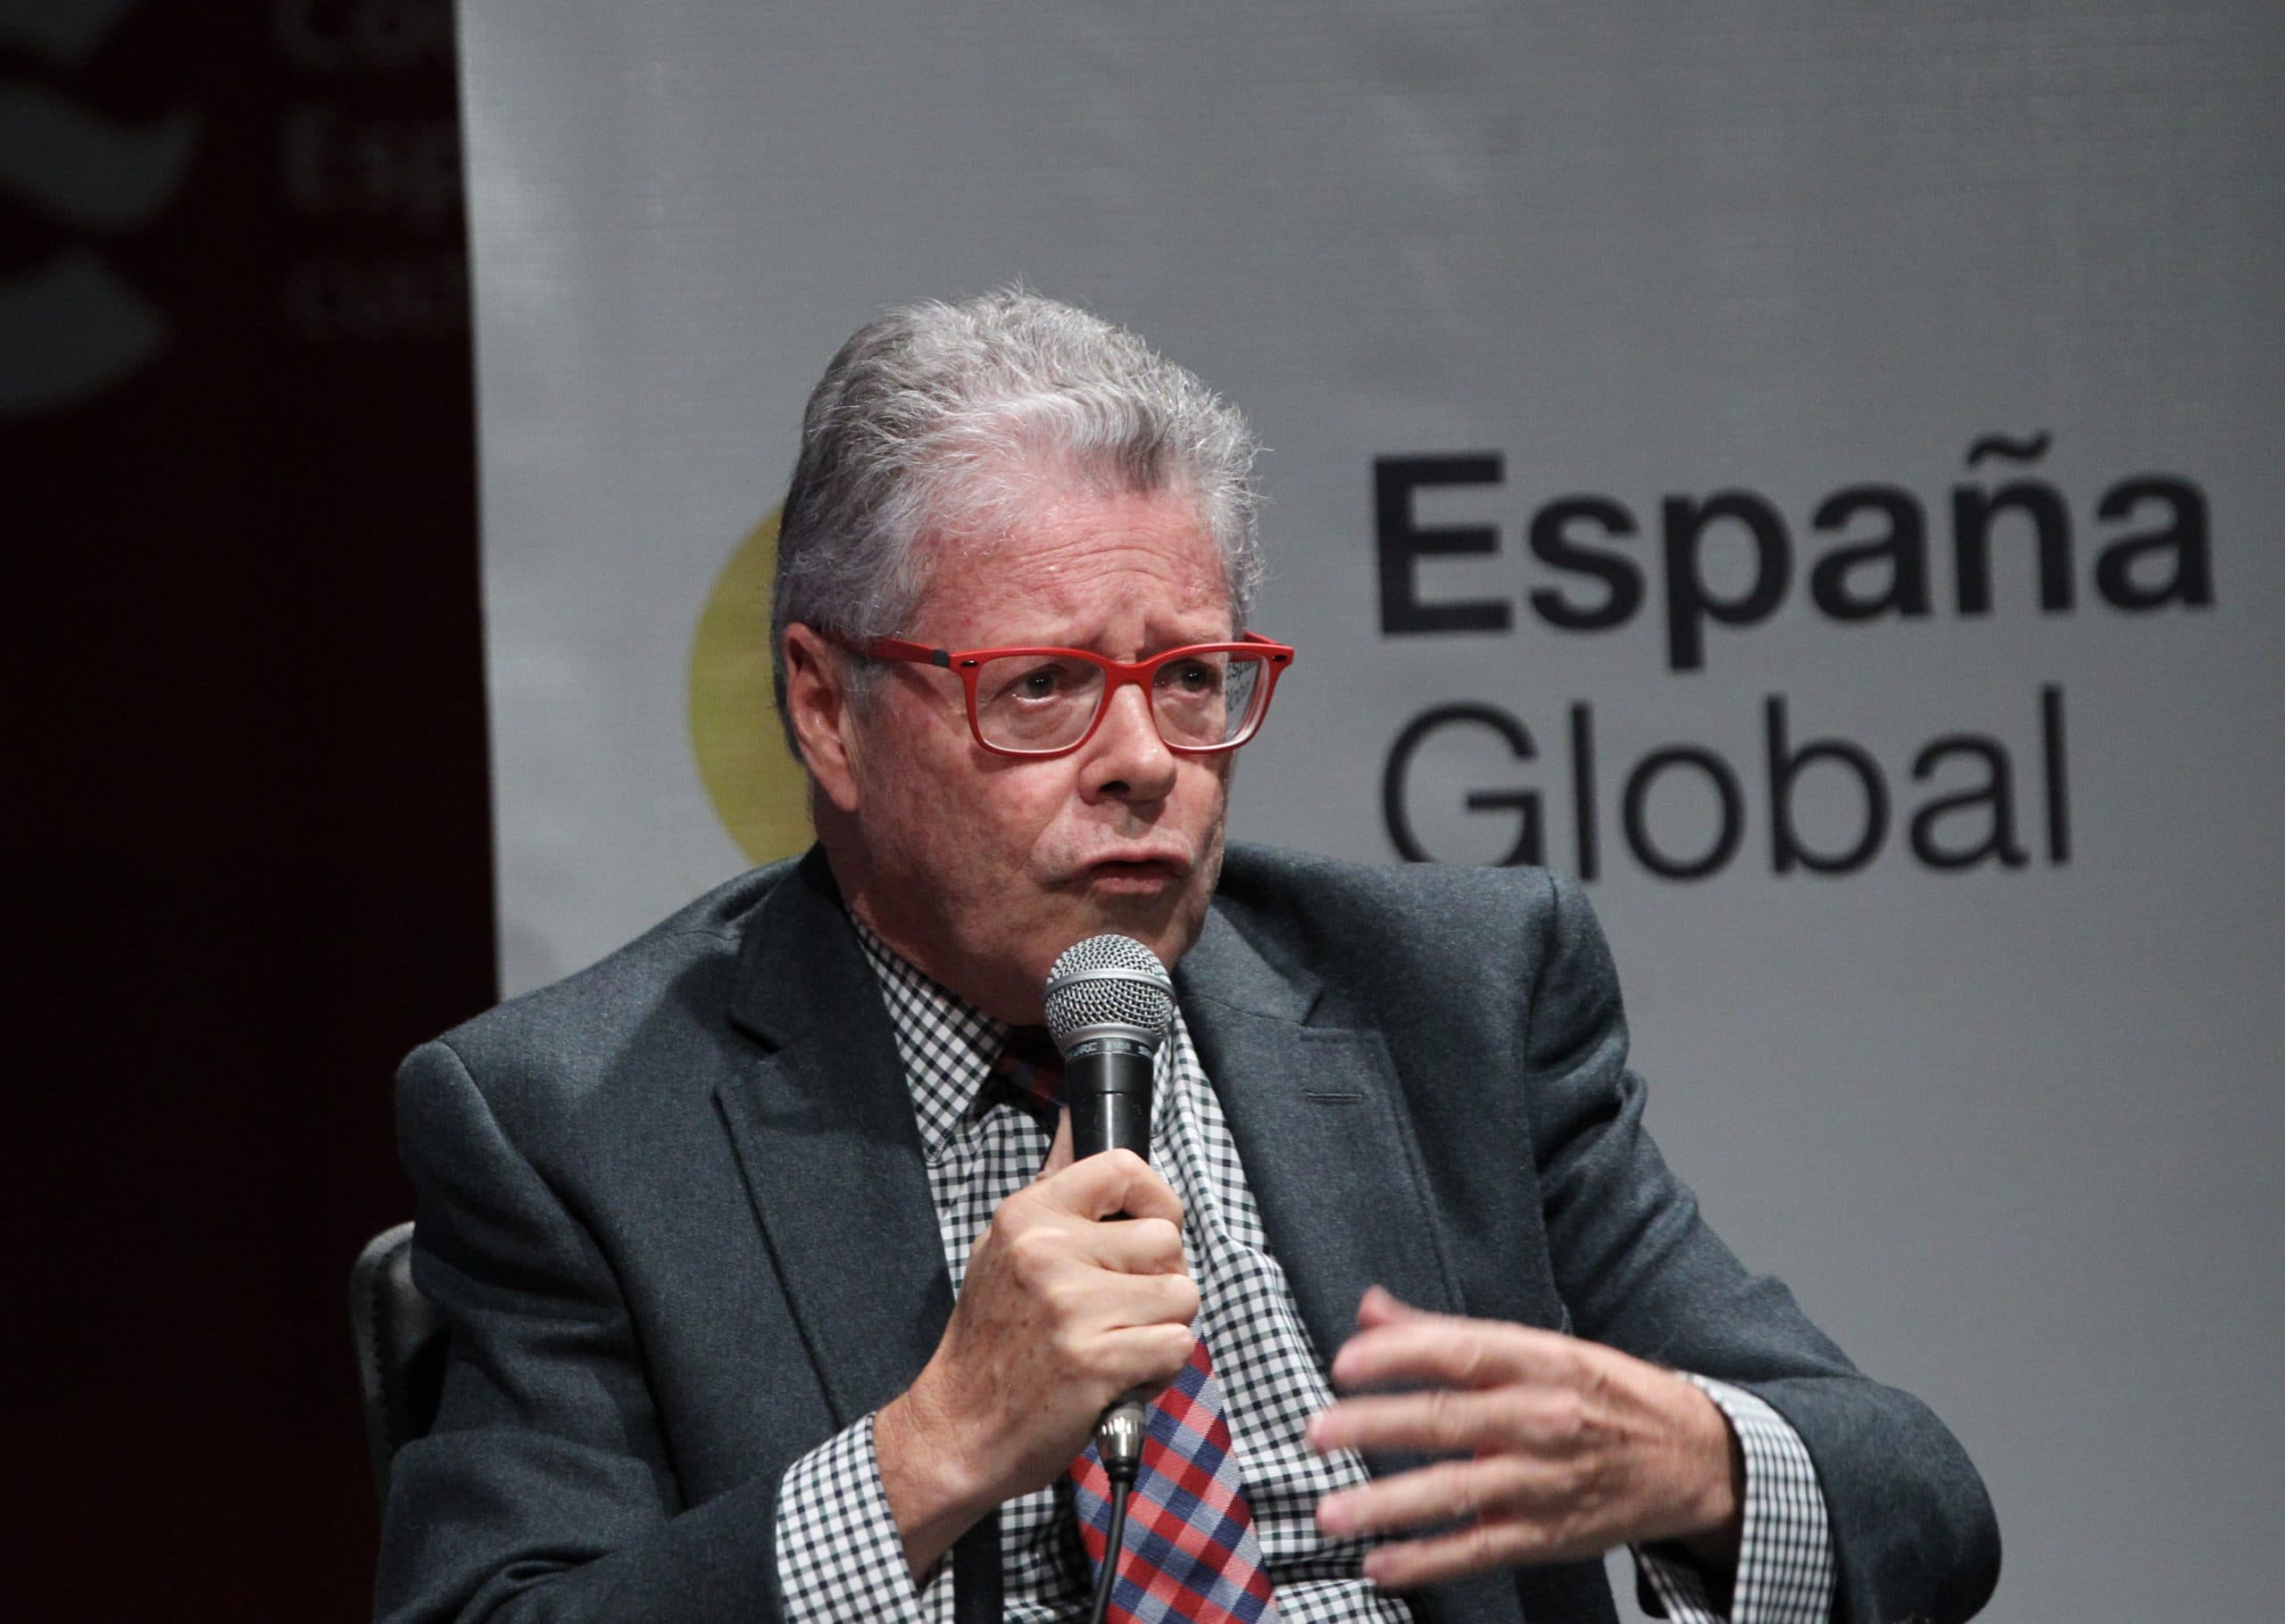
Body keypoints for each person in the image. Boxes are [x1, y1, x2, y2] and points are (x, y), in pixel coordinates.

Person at [378, 290, 1998, 1624]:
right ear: (827, 708)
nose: (1145, 757)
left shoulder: (1455, 1000)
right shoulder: (577, 1121)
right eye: (1044, 690)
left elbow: (1924, 1505)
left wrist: (1701, 1457)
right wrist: (924, 1460)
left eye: (1197, 678)